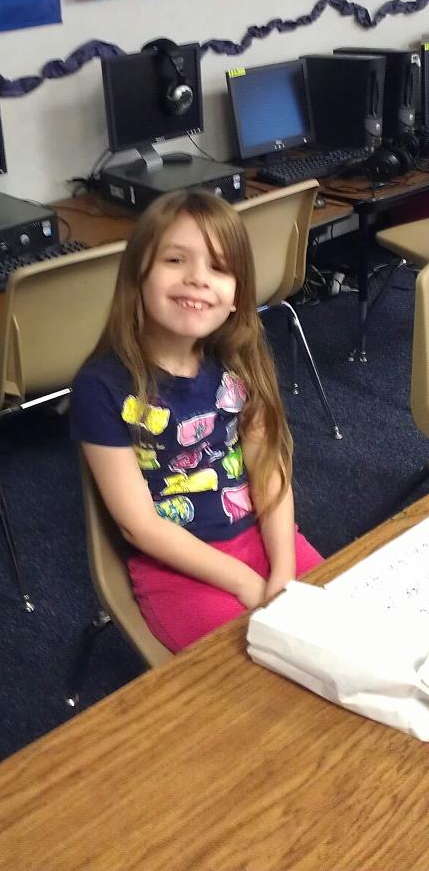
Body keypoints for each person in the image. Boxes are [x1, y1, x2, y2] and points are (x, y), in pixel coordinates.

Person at [71, 189, 321, 653]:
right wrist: (245, 583)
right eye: (175, 260)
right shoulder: (101, 386)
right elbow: (139, 526)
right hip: (178, 566)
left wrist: (283, 572)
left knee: (340, 628)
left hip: (264, 539)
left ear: (236, 295)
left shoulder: (239, 360)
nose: (198, 279)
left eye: (219, 267)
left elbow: (268, 471)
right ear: (138, 275)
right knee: (243, 669)